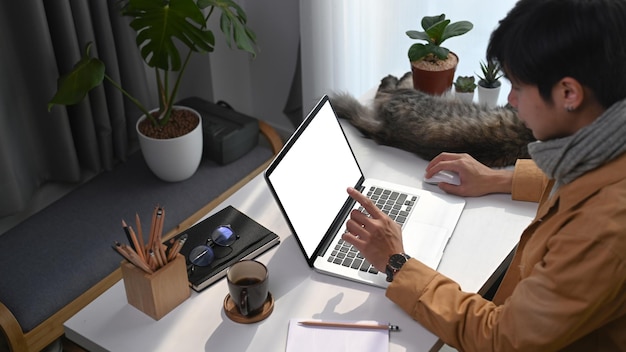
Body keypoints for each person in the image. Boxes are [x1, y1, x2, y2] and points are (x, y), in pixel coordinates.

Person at [341, 0, 626, 350]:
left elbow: (502, 338)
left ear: (568, 93)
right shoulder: (606, 140)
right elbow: (582, 179)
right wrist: (499, 179)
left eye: (519, 87)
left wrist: (396, 263)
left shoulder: (601, 232)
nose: (511, 100)